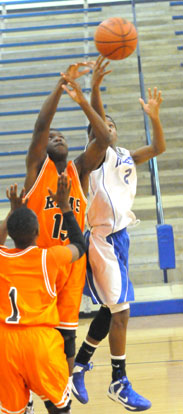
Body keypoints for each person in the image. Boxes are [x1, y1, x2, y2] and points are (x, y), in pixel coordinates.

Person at [72, 62, 166, 411]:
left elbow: (158, 148)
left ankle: (80, 364)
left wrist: (154, 115)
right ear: (94, 135)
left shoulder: (125, 155)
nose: (108, 126)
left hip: (121, 236)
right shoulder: (90, 159)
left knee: (112, 310)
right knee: (122, 311)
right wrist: (92, 93)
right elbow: (99, 126)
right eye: (102, 125)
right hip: (102, 240)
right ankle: (118, 382)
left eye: (112, 123)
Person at [23, 58, 113, 412]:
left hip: (71, 271)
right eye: (53, 138)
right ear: (46, 148)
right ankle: (25, 396)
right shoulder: (37, 170)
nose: (57, 137)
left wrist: (83, 100)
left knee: (65, 344)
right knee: (34, 339)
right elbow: (41, 125)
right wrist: (61, 87)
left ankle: (58, 402)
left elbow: (104, 138)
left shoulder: (78, 169)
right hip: (42, 269)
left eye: (63, 136)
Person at [0, 175, 87, 414]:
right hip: (40, 341)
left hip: (4, 343)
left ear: (11, 234)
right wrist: (65, 207)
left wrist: (12, 213)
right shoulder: (49, 257)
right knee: (59, 408)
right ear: (38, 231)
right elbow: (80, 245)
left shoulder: (2, 258)